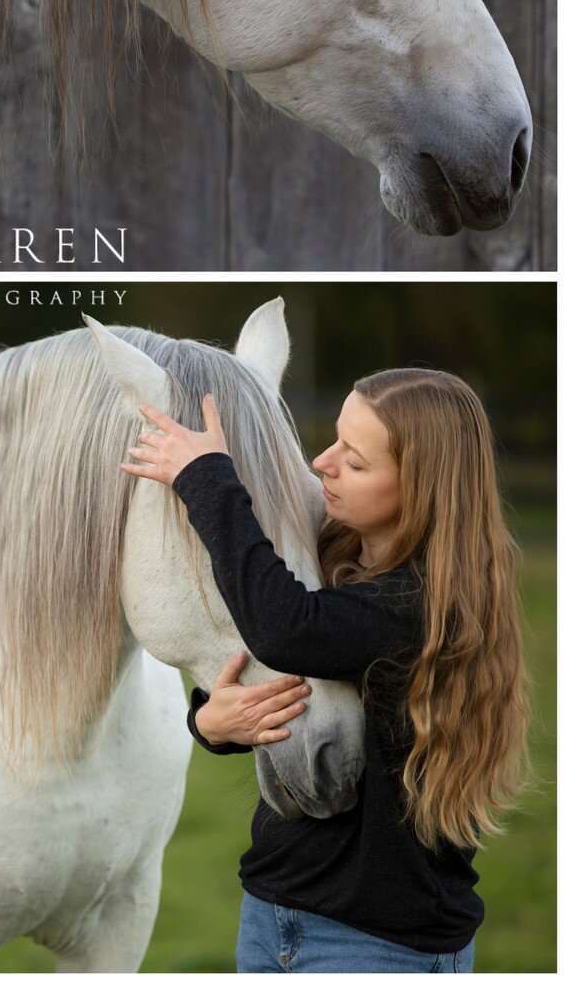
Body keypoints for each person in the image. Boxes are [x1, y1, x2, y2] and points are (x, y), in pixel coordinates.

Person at [121, 368, 528, 973]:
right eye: (334, 438)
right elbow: (284, 678)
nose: (321, 462)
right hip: (271, 911)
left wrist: (206, 479)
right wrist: (211, 723)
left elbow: (287, 632)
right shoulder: (337, 557)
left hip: (377, 945)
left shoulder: (418, 607)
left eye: (355, 462)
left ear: (421, 489)